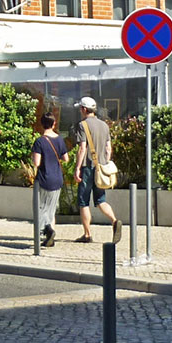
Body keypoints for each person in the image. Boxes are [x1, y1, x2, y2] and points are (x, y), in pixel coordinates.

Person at [74, 97, 122, 244]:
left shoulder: (82, 125)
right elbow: (108, 148)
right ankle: (114, 220)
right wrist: (105, 162)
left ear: (84, 109)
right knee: (101, 200)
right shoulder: (104, 125)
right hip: (101, 167)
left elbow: (82, 148)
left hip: (88, 167)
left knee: (83, 202)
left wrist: (77, 168)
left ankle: (87, 234)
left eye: (80, 108)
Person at [31, 112, 67, 247]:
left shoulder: (39, 141)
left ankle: (47, 229)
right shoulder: (59, 140)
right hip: (57, 177)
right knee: (51, 209)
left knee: (40, 207)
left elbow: (36, 162)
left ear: (42, 124)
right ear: (54, 124)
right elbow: (66, 158)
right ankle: (50, 237)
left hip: (44, 178)